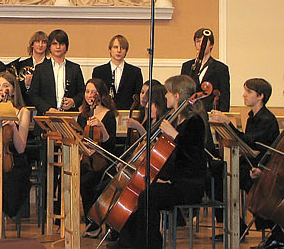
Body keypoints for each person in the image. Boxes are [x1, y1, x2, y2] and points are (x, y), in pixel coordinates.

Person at [109, 75, 208, 249]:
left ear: (177, 95)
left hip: (188, 184)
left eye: (168, 92)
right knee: (138, 190)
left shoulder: (195, 121)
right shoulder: (174, 119)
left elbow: (192, 157)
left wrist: (174, 135)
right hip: (173, 180)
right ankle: (128, 242)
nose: (165, 96)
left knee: (148, 196)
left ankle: (150, 244)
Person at [209, 78, 280, 236]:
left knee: (238, 178)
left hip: (263, 167)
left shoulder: (266, 119)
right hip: (251, 162)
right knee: (217, 172)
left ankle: (272, 229)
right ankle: (236, 223)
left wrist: (228, 124)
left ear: (260, 96)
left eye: (249, 92)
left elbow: (250, 142)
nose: (244, 95)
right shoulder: (252, 117)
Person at [78, 78, 118, 238]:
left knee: (88, 182)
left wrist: (101, 126)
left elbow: (110, 143)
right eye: (87, 91)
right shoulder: (83, 116)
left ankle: (95, 223)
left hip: (104, 161)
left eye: (93, 92)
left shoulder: (108, 115)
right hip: (87, 160)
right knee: (79, 178)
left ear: (101, 94)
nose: (90, 95)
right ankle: (91, 222)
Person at [0, 71, 31, 223]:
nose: (1, 89)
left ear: (13, 90)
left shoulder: (23, 112)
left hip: (15, 162)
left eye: (6, 85)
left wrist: (13, 126)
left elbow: (21, 148)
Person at [29, 29, 85, 115]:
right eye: (54, 44)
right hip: (46, 116)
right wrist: (47, 109)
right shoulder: (40, 69)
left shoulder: (75, 68)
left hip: (69, 116)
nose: (58, 47)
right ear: (49, 47)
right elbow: (33, 95)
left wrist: (73, 101)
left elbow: (82, 92)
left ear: (66, 47)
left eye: (61, 44)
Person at [181, 27, 230, 111]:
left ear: (211, 45)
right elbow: (183, 92)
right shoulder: (187, 66)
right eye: (198, 41)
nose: (201, 44)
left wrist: (222, 115)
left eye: (204, 42)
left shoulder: (221, 68)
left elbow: (225, 96)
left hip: (210, 112)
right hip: (190, 111)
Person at [91, 35, 143, 110]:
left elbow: (137, 97)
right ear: (110, 50)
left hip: (128, 113)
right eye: (115, 47)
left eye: (122, 48)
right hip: (104, 113)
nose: (119, 50)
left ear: (126, 51)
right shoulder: (99, 72)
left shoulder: (135, 72)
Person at [9, 30, 49, 105]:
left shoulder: (50, 66)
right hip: (25, 104)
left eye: (44, 42)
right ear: (32, 44)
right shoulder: (21, 65)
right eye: (37, 41)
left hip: (45, 104)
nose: (40, 45)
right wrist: (25, 84)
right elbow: (15, 89)